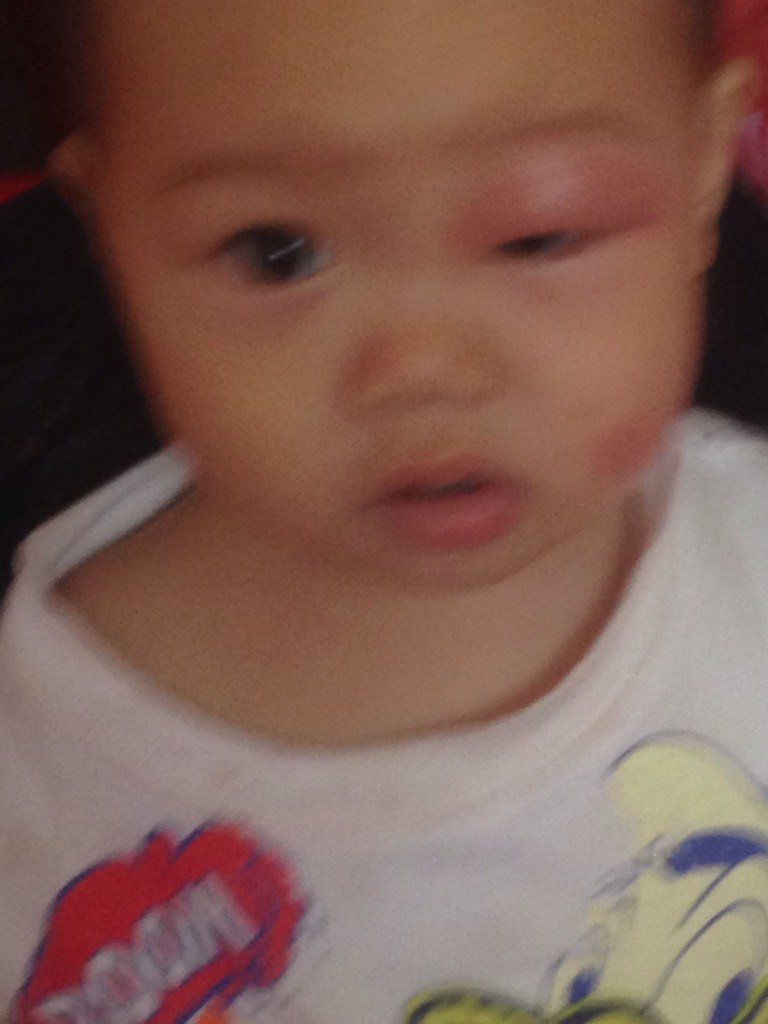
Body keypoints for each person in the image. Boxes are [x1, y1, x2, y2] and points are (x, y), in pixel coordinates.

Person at [0, 0, 766, 1021]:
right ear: (107, 226)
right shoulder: (39, 771)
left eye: (539, 235)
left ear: (706, 170)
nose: (420, 369)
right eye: (276, 252)